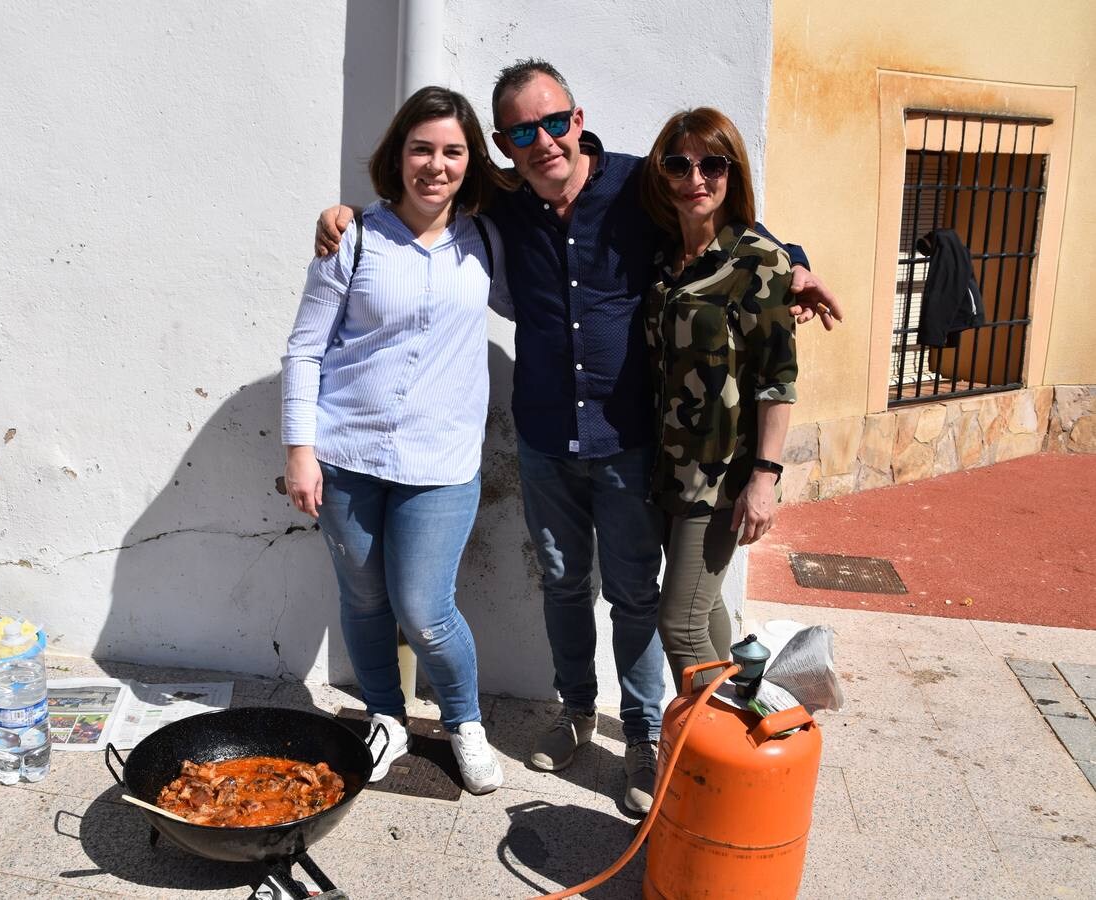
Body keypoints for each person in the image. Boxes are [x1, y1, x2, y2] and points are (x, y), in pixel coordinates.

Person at [316, 60, 842, 814]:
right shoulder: (499, 200)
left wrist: (792, 262)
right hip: (546, 438)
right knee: (564, 584)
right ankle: (572, 710)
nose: (544, 142)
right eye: (523, 131)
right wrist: (342, 215)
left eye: (554, 121)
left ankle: (637, 733)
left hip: (629, 440)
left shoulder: (637, 185)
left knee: (634, 594)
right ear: (503, 144)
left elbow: (719, 222)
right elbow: (416, 195)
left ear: (577, 116)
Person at [281, 86, 512, 795]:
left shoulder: (489, 239)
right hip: (347, 457)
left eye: (452, 151)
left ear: (471, 161)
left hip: (440, 465)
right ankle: (386, 716)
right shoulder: (352, 237)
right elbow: (305, 349)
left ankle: (465, 721)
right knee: (364, 599)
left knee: (424, 607)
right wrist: (300, 448)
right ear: (398, 155)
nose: (435, 165)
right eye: (422, 149)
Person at [640, 109, 797, 691]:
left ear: (734, 171)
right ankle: (744, 717)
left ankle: (706, 746)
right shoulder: (662, 261)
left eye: (713, 163)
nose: (695, 177)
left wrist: (764, 478)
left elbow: (777, 379)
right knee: (703, 610)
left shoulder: (759, 260)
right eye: (679, 164)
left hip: (721, 475)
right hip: (665, 468)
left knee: (678, 624)